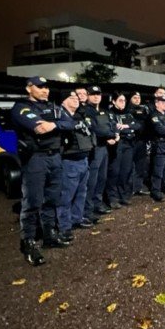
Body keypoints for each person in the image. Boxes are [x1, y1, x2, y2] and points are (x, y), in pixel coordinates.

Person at [11, 76, 76, 265]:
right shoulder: (21, 107)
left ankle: (49, 234)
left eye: (46, 87)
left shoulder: (54, 107)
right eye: (40, 87)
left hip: (54, 157)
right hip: (35, 159)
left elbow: (70, 123)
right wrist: (57, 124)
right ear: (28, 88)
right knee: (32, 201)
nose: (45, 90)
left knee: (52, 198)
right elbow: (39, 128)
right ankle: (29, 242)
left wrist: (54, 124)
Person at [57, 91, 95, 241]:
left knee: (81, 193)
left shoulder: (79, 115)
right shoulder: (60, 116)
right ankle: (64, 227)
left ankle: (76, 219)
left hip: (83, 159)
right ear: (62, 102)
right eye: (71, 98)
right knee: (66, 195)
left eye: (76, 98)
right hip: (69, 161)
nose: (76, 100)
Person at [81, 86, 118, 222]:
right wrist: (112, 134)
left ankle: (97, 203)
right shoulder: (86, 111)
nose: (96, 97)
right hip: (94, 148)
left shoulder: (104, 111)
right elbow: (95, 129)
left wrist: (114, 133)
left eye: (98, 94)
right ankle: (87, 210)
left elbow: (112, 124)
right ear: (88, 96)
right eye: (93, 94)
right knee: (92, 180)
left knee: (101, 178)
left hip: (104, 148)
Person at [106, 91, 140, 207]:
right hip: (117, 145)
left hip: (128, 145)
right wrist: (128, 129)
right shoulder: (110, 114)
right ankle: (112, 198)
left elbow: (137, 125)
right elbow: (113, 128)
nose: (123, 103)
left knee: (126, 171)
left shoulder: (128, 114)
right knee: (115, 171)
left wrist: (127, 126)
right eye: (120, 100)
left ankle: (123, 195)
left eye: (124, 100)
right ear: (114, 101)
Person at [127, 91, 151, 196]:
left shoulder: (144, 110)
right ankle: (130, 188)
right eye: (135, 97)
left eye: (138, 97)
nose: (137, 99)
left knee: (141, 165)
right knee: (130, 166)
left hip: (142, 141)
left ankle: (138, 187)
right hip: (131, 141)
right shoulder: (127, 110)